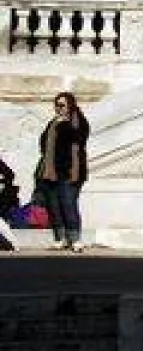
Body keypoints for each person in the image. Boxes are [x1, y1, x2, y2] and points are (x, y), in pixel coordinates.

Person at [36, 92, 89, 252]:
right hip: (51, 172)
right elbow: (43, 142)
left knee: (68, 204)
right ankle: (60, 238)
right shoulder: (53, 122)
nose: (58, 108)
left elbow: (78, 138)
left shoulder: (78, 121)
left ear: (70, 105)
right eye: (56, 105)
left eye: (62, 105)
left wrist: (64, 125)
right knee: (54, 206)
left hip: (70, 172)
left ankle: (75, 239)